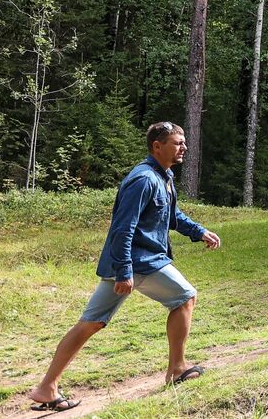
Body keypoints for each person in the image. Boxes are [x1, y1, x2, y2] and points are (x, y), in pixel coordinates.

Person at [27, 122, 221, 412]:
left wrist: (198, 231)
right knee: (185, 297)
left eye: (183, 143)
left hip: (134, 262)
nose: (184, 148)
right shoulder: (143, 179)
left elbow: (171, 214)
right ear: (157, 146)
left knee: (91, 322)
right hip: (138, 262)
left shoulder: (163, 177)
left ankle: (46, 387)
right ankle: (177, 369)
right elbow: (122, 228)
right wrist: (124, 271)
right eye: (177, 143)